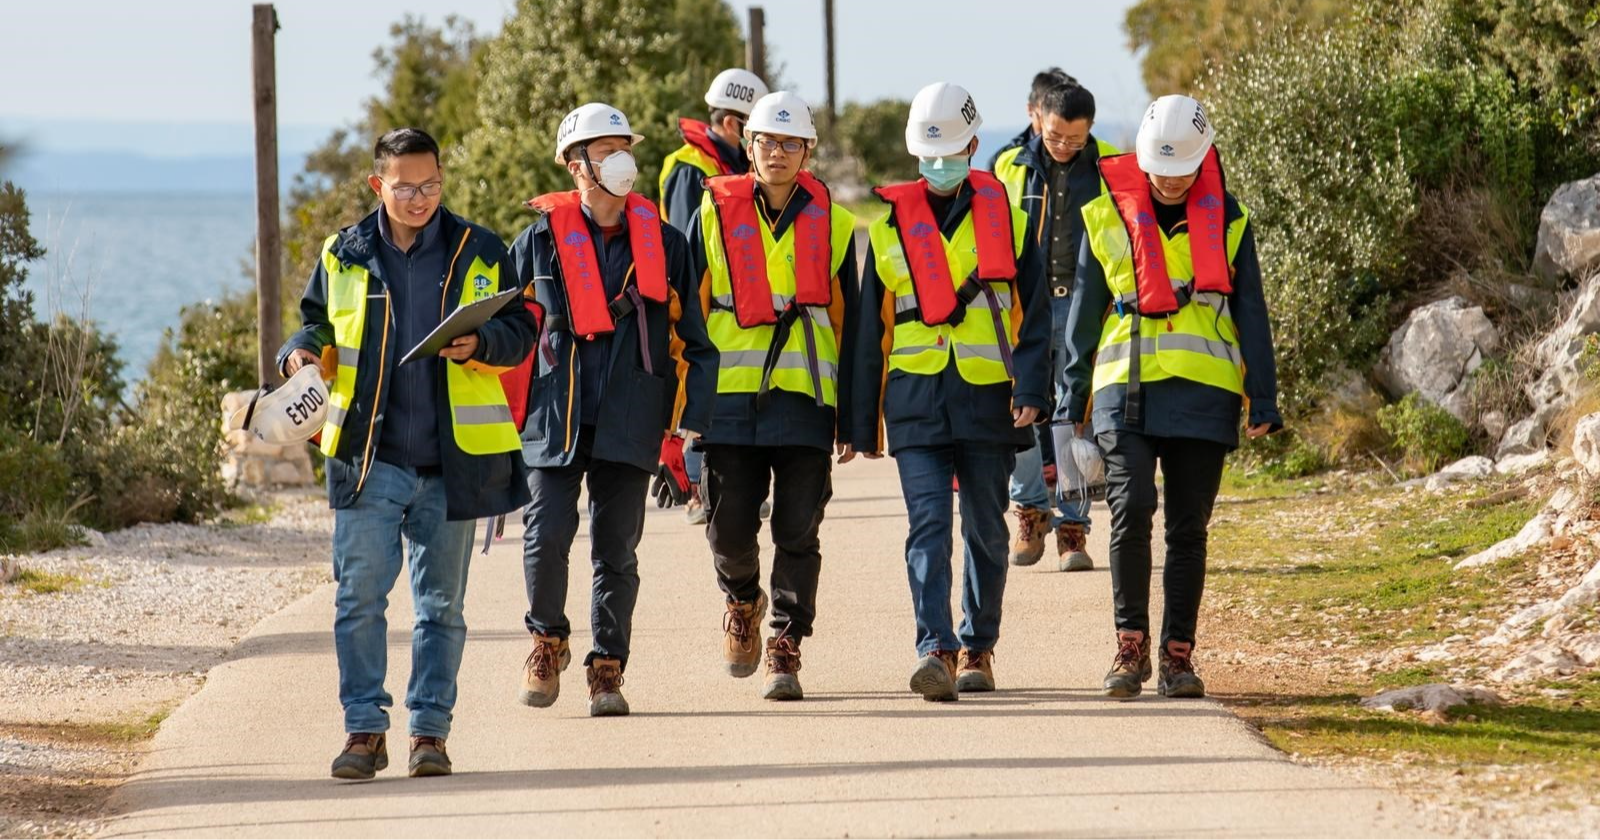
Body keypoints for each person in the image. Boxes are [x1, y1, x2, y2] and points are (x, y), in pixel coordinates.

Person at [278, 127, 537, 780]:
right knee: (358, 599)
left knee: (440, 608)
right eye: (405, 187)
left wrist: (482, 346)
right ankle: (365, 730)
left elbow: (520, 329)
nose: (419, 198)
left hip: (453, 466)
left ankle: (430, 734)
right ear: (378, 185)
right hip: (367, 461)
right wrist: (298, 352)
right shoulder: (345, 253)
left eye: (430, 185)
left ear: (441, 180)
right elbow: (314, 322)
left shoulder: (481, 249)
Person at [1054, 94, 1282, 701]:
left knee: (1188, 528)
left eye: (1183, 169)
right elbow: (1081, 317)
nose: (1171, 180)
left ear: (1204, 159)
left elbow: (1251, 312)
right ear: (1142, 157)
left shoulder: (1229, 221)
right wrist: (1066, 403)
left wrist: (1262, 394)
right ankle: (1129, 648)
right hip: (1122, 390)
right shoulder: (1106, 217)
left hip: (1204, 394)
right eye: (1160, 168)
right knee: (1129, 513)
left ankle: (1178, 655)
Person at [508, 103, 717, 717]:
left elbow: (698, 343)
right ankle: (547, 640)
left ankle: (607, 666)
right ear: (577, 167)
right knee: (544, 537)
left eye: (625, 147)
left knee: (616, 547)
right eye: (605, 151)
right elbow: (506, 337)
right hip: (554, 415)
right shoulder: (536, 245)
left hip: (632, 414)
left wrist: (690, 417)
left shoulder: (668, 245)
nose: (621, 159)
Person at [846, 83, 1050, 702]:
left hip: (990, 398)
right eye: (926, 156)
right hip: (915, 401)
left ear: (972, 146)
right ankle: (934, 649)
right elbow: (865, 335)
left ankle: (977, 648)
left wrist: (1034, 388)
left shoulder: (1010, 222)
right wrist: (858, 426)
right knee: (928, 526)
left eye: (949, 153)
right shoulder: (885, 233)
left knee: (986, 528)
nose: (937, 166)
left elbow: (1036, 315)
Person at [681, 91, 859, 701]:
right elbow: (689, 313)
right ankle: (742, 599)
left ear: (807, 150)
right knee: (728, 529)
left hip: (806, 393)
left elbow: (853, 321)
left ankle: (786, 641)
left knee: (797, 527)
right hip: (728, 396)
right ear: (747, 146)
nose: (777, 153)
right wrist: (683, 410)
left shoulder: (835, 222)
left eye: (789, 143)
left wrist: (857, 417)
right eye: (765, 141)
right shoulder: (710, 213)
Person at [999, 80, 1122, 572]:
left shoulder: (1112, 166)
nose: (1065, 146)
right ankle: (1030, 509)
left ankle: (1073, 526)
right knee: (1022, 407)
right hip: (1024, 305)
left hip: (1085, 304)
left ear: (1090, 129)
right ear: (1038, 120)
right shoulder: (1008, 165)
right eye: (1055, 137)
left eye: (1075, 139)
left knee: (1075, 413)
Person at [660, 67, 770, 526]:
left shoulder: (725, 167)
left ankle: (711, 485)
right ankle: (695, 487)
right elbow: (692, 250)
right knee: (699, 382)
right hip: (701, 303)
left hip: (730, 305)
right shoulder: (692, 169)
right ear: (732, 125)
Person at [986, 67, 1073, 177]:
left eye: (1063, 112)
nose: (1055, 121)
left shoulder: (1091, 157)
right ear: (1030, 109)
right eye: (1047, 111)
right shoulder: (1001, 161)